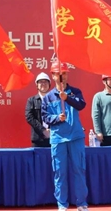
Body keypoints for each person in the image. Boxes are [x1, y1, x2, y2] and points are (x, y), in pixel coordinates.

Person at [41, 60, 89, 211]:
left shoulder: (75, 92)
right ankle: (62, 205)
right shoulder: (48, 97)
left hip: (75, 137)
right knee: (60, 173)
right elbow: (45, 117)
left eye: (64, 73)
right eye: (58, 74)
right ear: (53, 75)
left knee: (79, 170)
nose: (62, 77)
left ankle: (81, 203)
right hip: (58, 139)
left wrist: (67, 98)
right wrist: (57, 118)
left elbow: (81, 105)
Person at [25, 72, 52, 147]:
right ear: (37, 85)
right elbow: (29, 117)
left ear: (49, 84)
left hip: (53, 138)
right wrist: (43, 130)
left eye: (45, 82)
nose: (43, 84)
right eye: (40, 82)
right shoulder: (31, 100)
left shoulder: (54, 100)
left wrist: (50, 130)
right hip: (38, 139)